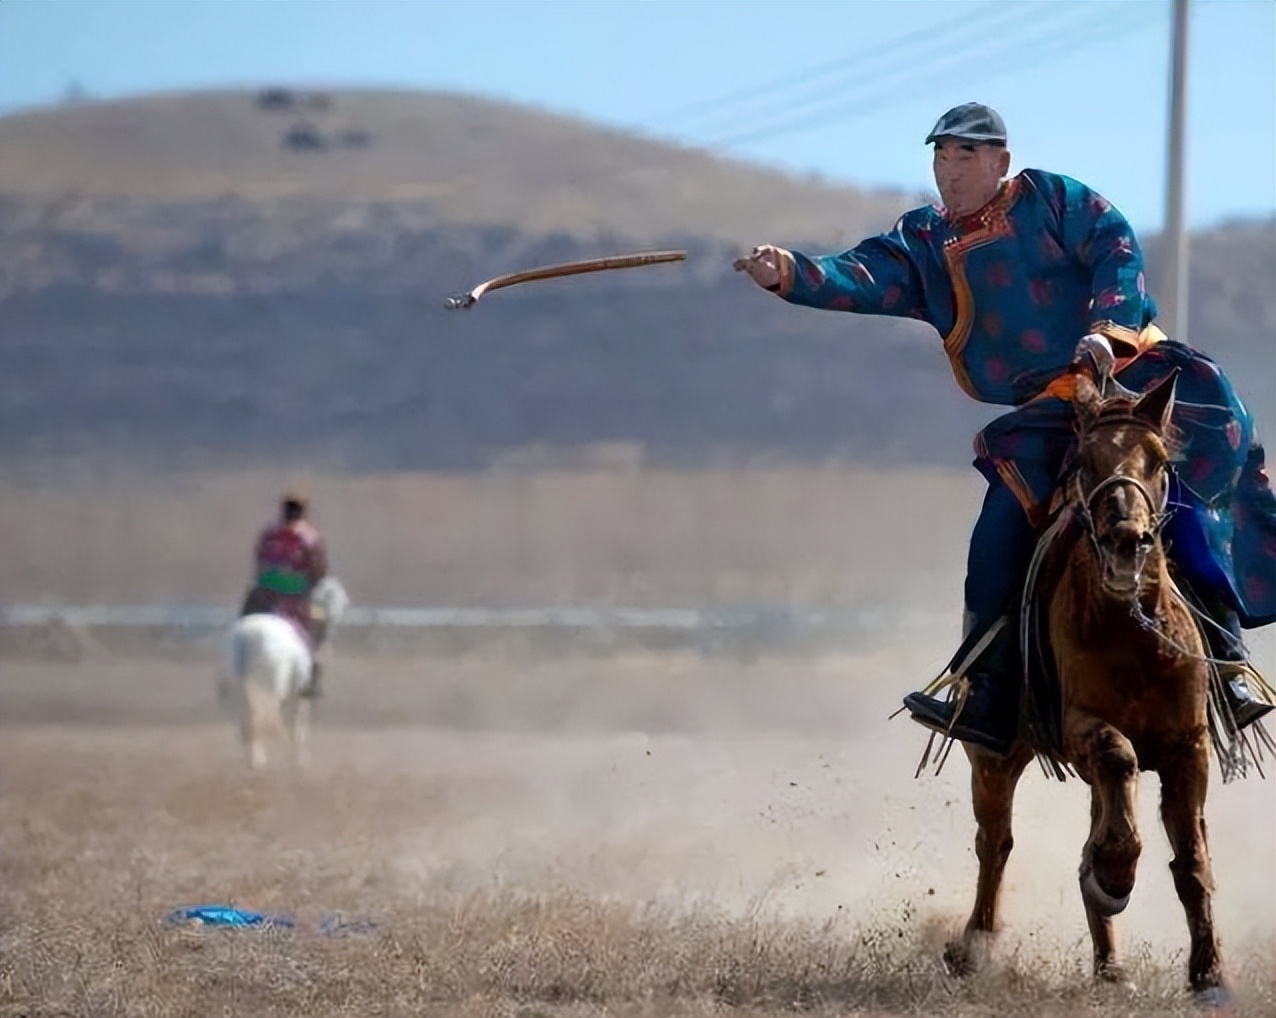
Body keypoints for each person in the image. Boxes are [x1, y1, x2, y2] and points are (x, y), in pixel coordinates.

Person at [737, 102, 1276, 755]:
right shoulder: (924, 240)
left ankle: (1225, 659)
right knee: (996, 530)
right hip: (1053, 405)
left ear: (1000, 161)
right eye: (941, 156)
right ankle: (982, 691)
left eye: (966, 156)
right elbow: (865, 274)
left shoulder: (1053, 198)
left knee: (1176, 494)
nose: (950, 170)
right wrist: (789, 272)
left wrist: (1106, 330)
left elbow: (1116, 246)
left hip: (1133, 375)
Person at [240, 490, 330, 695]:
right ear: (303, 512)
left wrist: (265, 582)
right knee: (316, 626)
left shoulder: (269, 534)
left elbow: (259, 560)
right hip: (295, 595)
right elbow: (319, 569)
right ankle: (311, 675)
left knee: (242, 621)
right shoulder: (310, 536)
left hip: (266, 592)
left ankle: (235, 672)